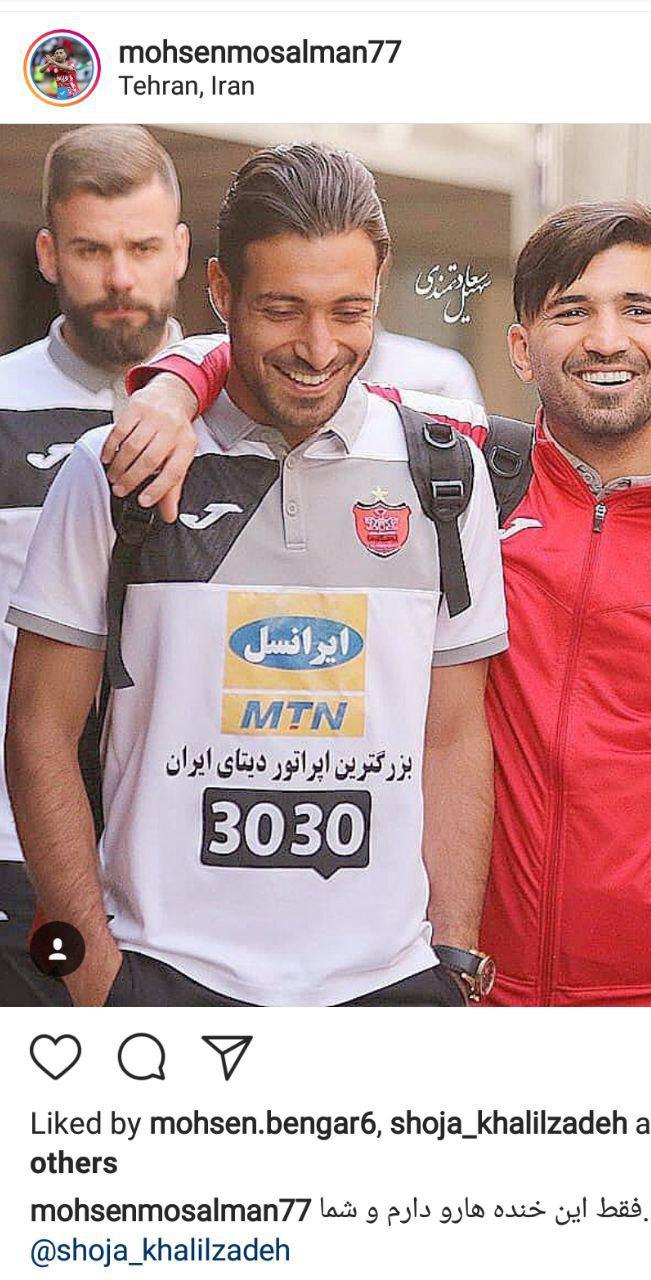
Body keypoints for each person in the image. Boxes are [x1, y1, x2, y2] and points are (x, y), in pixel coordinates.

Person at [128, 198, 651, 1007]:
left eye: (638, 309)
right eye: (572, 311)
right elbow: (292, 354)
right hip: (483, 991)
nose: (606, 339)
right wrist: (174, 387)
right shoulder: (455, 468)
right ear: (522, 349)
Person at [5, 143, 507, 1008]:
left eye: (349, 312)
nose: (318, 347)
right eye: (282, 309)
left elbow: (453, 737)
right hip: (164, 975)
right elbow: (39, 731)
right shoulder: (110, 469)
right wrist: (94, 974)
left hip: (388, 988)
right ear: (220, 292)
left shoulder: (446, 476)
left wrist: (454, 957)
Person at [0, 125, 200, 1006]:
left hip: (190, 857)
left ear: (182, 252)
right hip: (15, 853)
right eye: (91, 250)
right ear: (48, 254)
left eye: (143, 248)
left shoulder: (246, 408)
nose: (121, 278)